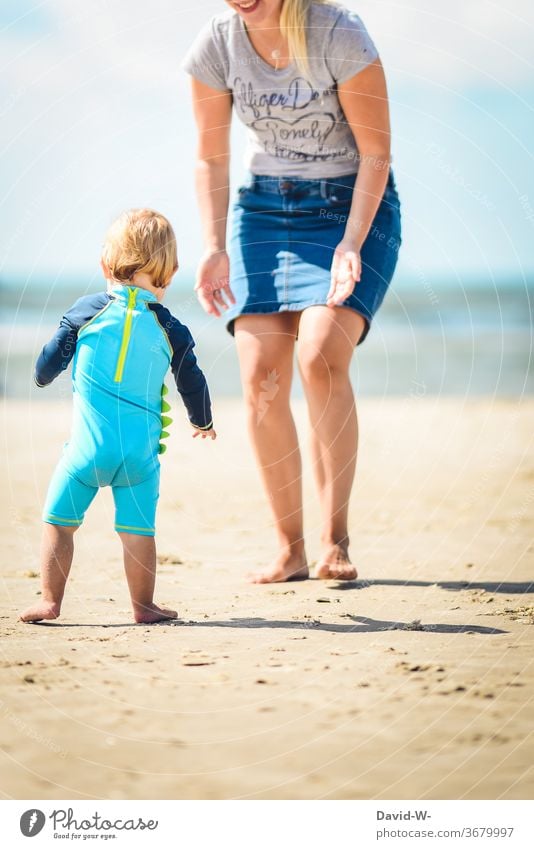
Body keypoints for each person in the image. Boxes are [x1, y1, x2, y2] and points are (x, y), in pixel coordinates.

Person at [181, 0, 402, 583]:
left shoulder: (339, 32)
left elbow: (377, 151)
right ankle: (289, 547)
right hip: (263, 213)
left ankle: (335, 540)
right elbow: (209, 155)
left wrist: (351, 243)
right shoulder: (217, 43)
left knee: (321, 351)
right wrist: (212, 244)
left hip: (351, 206)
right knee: (259, 375)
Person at [20, 208, 215, 625]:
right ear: (173, 270)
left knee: (59, 522)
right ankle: (143, 607)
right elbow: (191, 380)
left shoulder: (86, 311)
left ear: (105, 263)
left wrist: (41, 377)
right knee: (138, 532)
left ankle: (50, 602)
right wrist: (202, 421)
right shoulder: (171, 328)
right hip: (139, 461)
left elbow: (51, 359)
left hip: (85, 455)